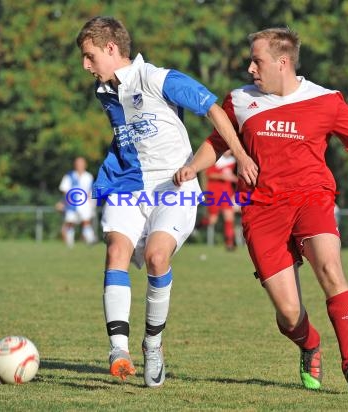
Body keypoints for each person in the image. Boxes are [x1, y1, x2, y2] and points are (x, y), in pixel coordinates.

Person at [174, 27, 348, 393]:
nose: (250, 69)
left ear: (283, 62)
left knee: (329, 268)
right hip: (262, 210)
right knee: (290, 313)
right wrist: (192, 168)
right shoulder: (240, 101)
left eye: (257, 60)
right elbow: (217, 143)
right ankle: (309, 344)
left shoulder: (327, 101)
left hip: (313, 198)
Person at [75, 17, 257, 388]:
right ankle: (119, 351)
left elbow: (214, 110)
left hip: (174, 186)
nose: (85, 66)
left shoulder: (159, 79)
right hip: (127, 186)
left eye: (89, 56)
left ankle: (153, 346)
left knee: (158, 258)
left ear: (111, 49)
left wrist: (239, 154)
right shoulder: (104, 92)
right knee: (115, 253)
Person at [203, 150, 238, 250]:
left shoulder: (233, 161)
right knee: (212, 220)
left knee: (229, 218)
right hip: (214, 193)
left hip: (226, 193)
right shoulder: (215, 160)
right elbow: (209, 174)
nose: (228, 151)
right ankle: (198, 226)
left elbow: (231, 176)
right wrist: (222, 176)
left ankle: (229, 244)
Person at [59, 156, 97, 247]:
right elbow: (64, 189)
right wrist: (64, 201)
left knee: (86, 221)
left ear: (85, 165)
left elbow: (91, 190)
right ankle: (70, 243)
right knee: (70, 222)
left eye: (81, 163)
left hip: (85, 203)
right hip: (72, 203)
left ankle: (90, 240)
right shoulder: (69, 176)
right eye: (78, 163)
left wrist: (92, 202)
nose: (79, 165)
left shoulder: (88, 176)